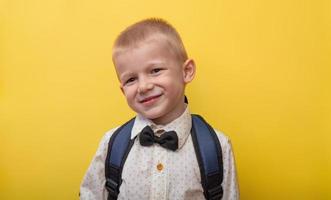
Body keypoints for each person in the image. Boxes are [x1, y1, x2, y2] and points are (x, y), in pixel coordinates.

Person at [80, 18, 239, 200]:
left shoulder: (217, 146)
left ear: (186, 71)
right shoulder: (112, 143)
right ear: (123, 91)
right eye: (131, 79)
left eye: (155, 70)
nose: (143, 86)